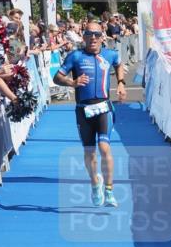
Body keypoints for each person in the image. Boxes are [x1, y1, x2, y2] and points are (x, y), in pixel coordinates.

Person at [53, 20, 126, 207]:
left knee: (104, 147)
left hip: (104, 107)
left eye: (97, 34)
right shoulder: (75, 56)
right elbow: (57, 77)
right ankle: (95, 183)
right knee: (90, 152)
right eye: (89, 34)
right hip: (83, 110)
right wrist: (73, 83)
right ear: (83, 36)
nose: (93, 38)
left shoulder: (110, 54)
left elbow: (119, 64)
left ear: (103, 37)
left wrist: (121, 83)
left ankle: (109, 191)